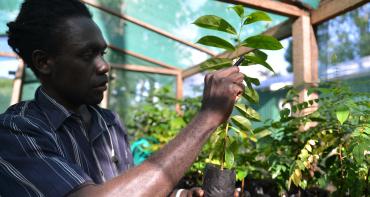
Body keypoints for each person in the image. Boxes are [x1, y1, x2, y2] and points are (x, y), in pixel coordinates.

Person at [0, 0, 244, 196]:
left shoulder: (109, 123)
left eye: (102, 53)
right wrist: (208, 117)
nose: (104, 66)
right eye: (87, 54)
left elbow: (129, 188)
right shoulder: (17, 132)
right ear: (44, 62)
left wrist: (179, 194)